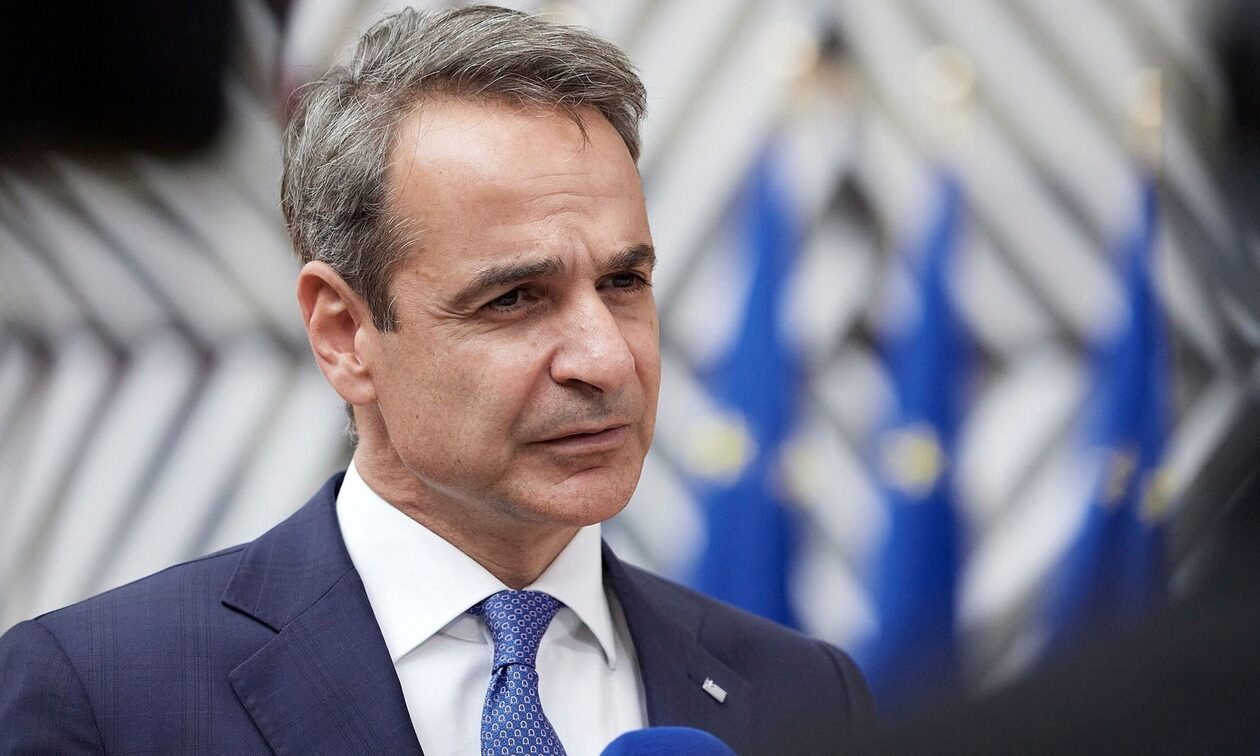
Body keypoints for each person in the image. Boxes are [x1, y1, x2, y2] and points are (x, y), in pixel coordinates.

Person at [0, 6, 874, 754]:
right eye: (515, 298)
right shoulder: (103, 697)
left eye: (622, 282)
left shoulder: (806, 698)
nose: (605, 359)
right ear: (344, 333)